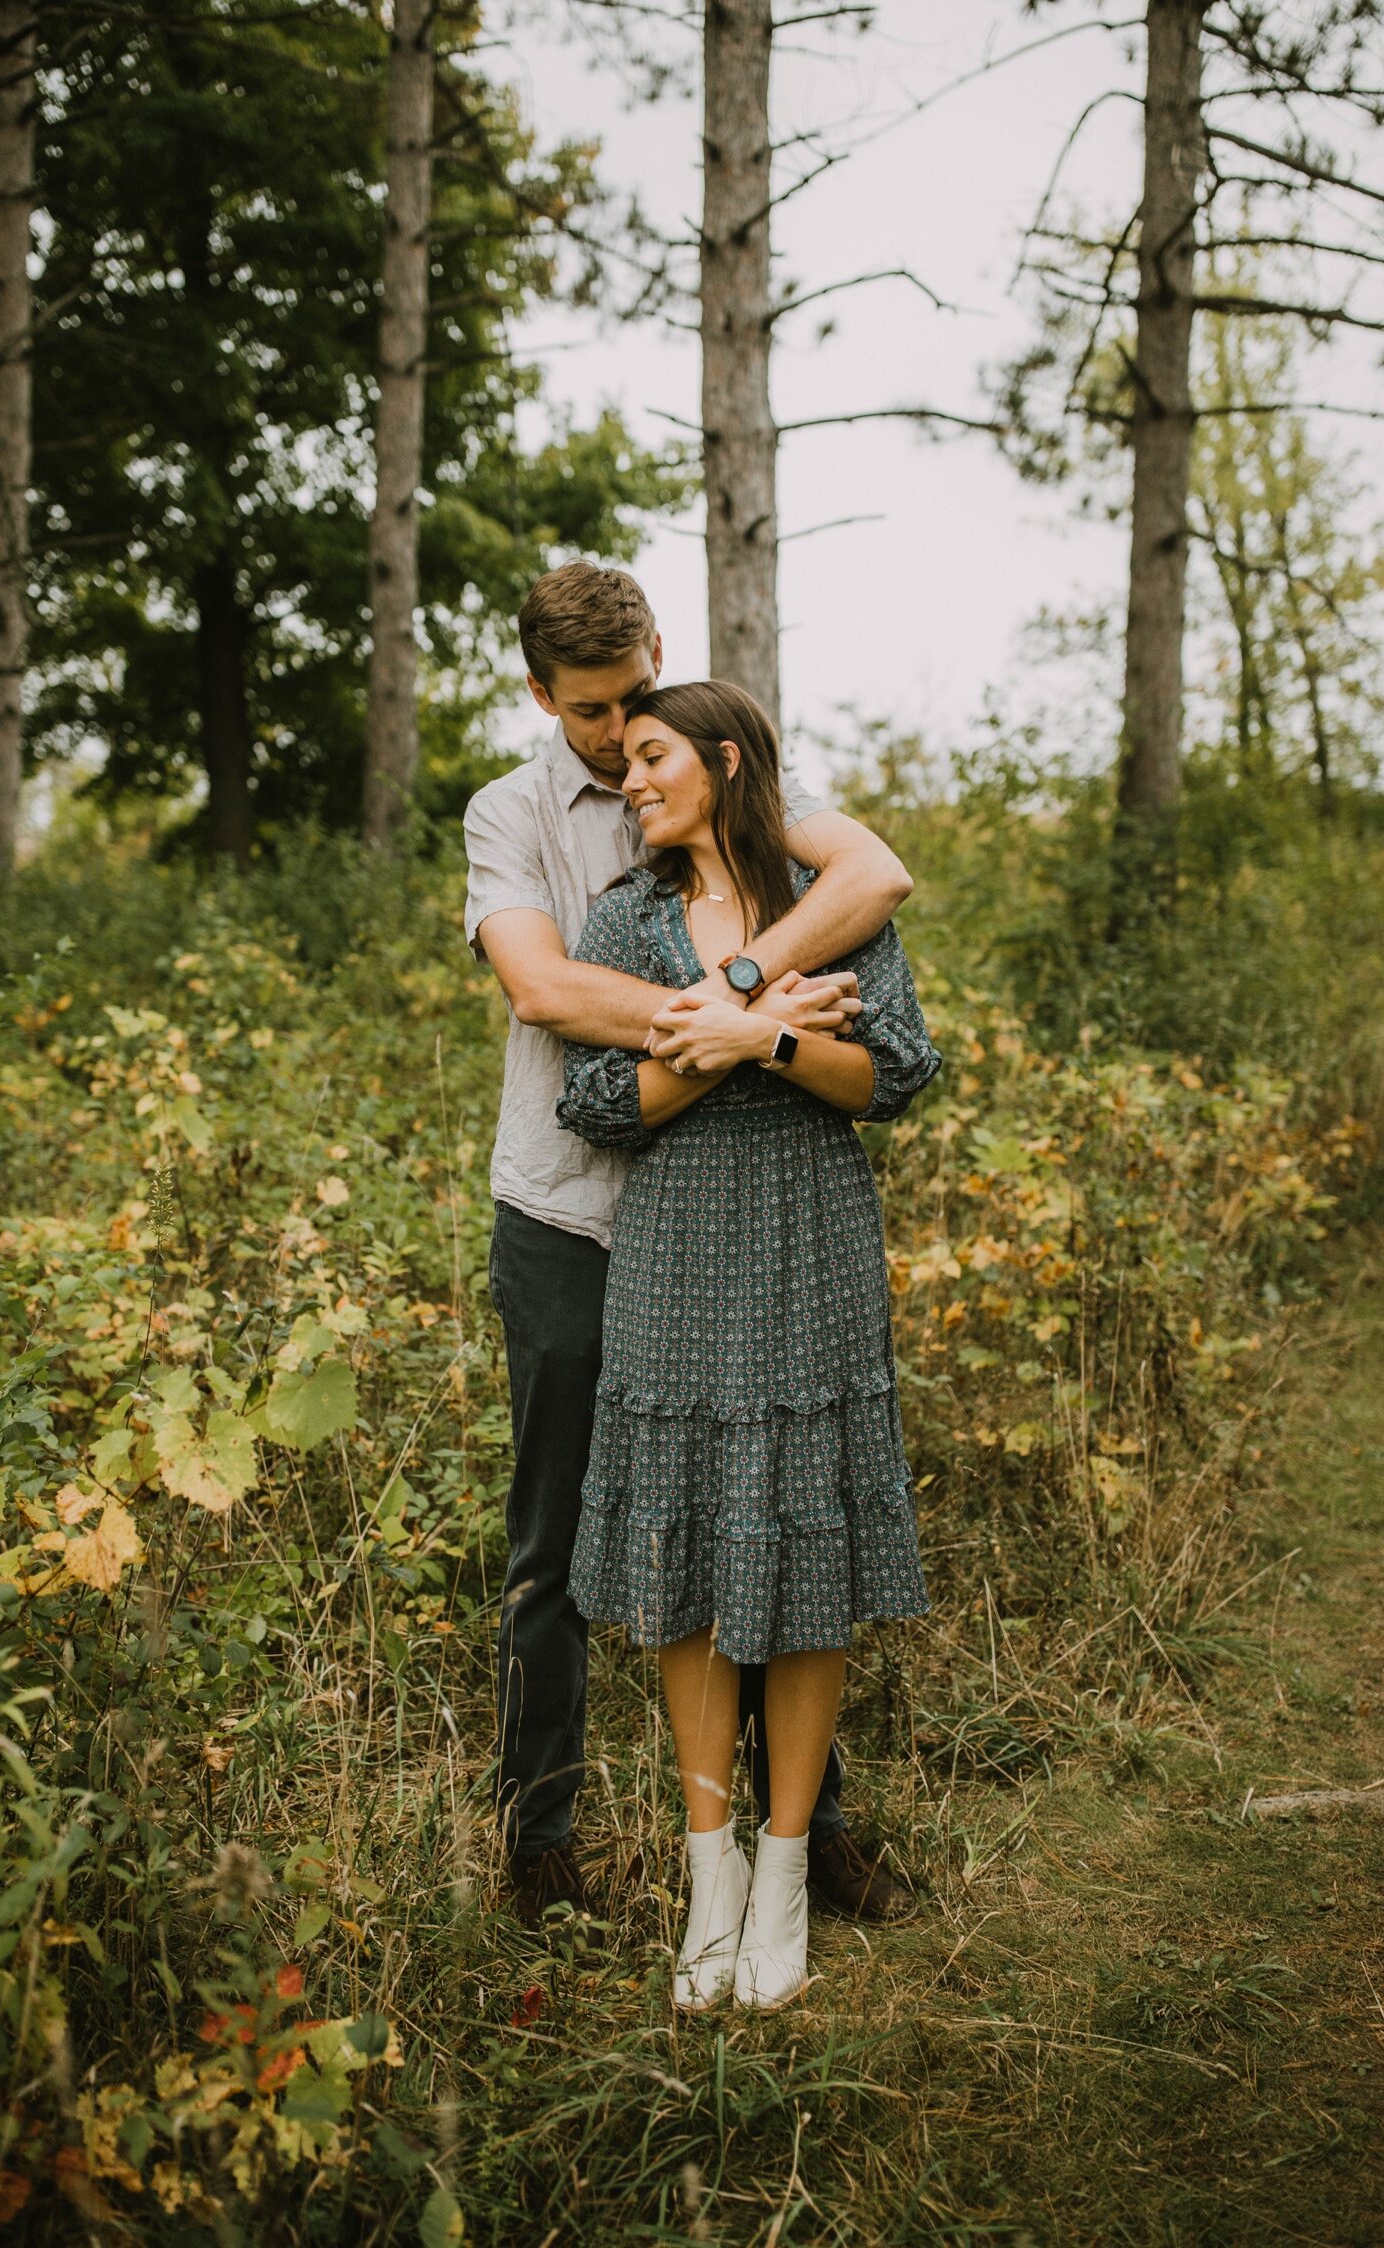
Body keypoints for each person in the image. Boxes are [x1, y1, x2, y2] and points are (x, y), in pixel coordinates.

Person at [463, 560, 914, 1937]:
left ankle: (808, 1831)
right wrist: (750, 1000)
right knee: (554, 1539)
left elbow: (874, 877)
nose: (616, 736)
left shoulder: (709, 762)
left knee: (767, 1502)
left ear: (658, 653)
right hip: (567, 1209)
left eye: (631, 702)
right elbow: (543, 989)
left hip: (745, 1221)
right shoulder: (514, 812)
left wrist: (749, 1003)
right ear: (542, 697)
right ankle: (543, 1838)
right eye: (590, 712)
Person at [555, 679, 941, 2009]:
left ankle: (786, 1871)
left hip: (813, 1238)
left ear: (724, 760)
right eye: (624, 763)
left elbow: (885, 1075)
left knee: (805, 1544)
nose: (634, 779)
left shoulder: (821, 895)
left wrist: (752, 1030)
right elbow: (602, 1098)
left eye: (653, 756)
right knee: (685, 1549)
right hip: (675, 1250)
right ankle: (708, 1865)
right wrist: (738, 1039)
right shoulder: (624, 917)